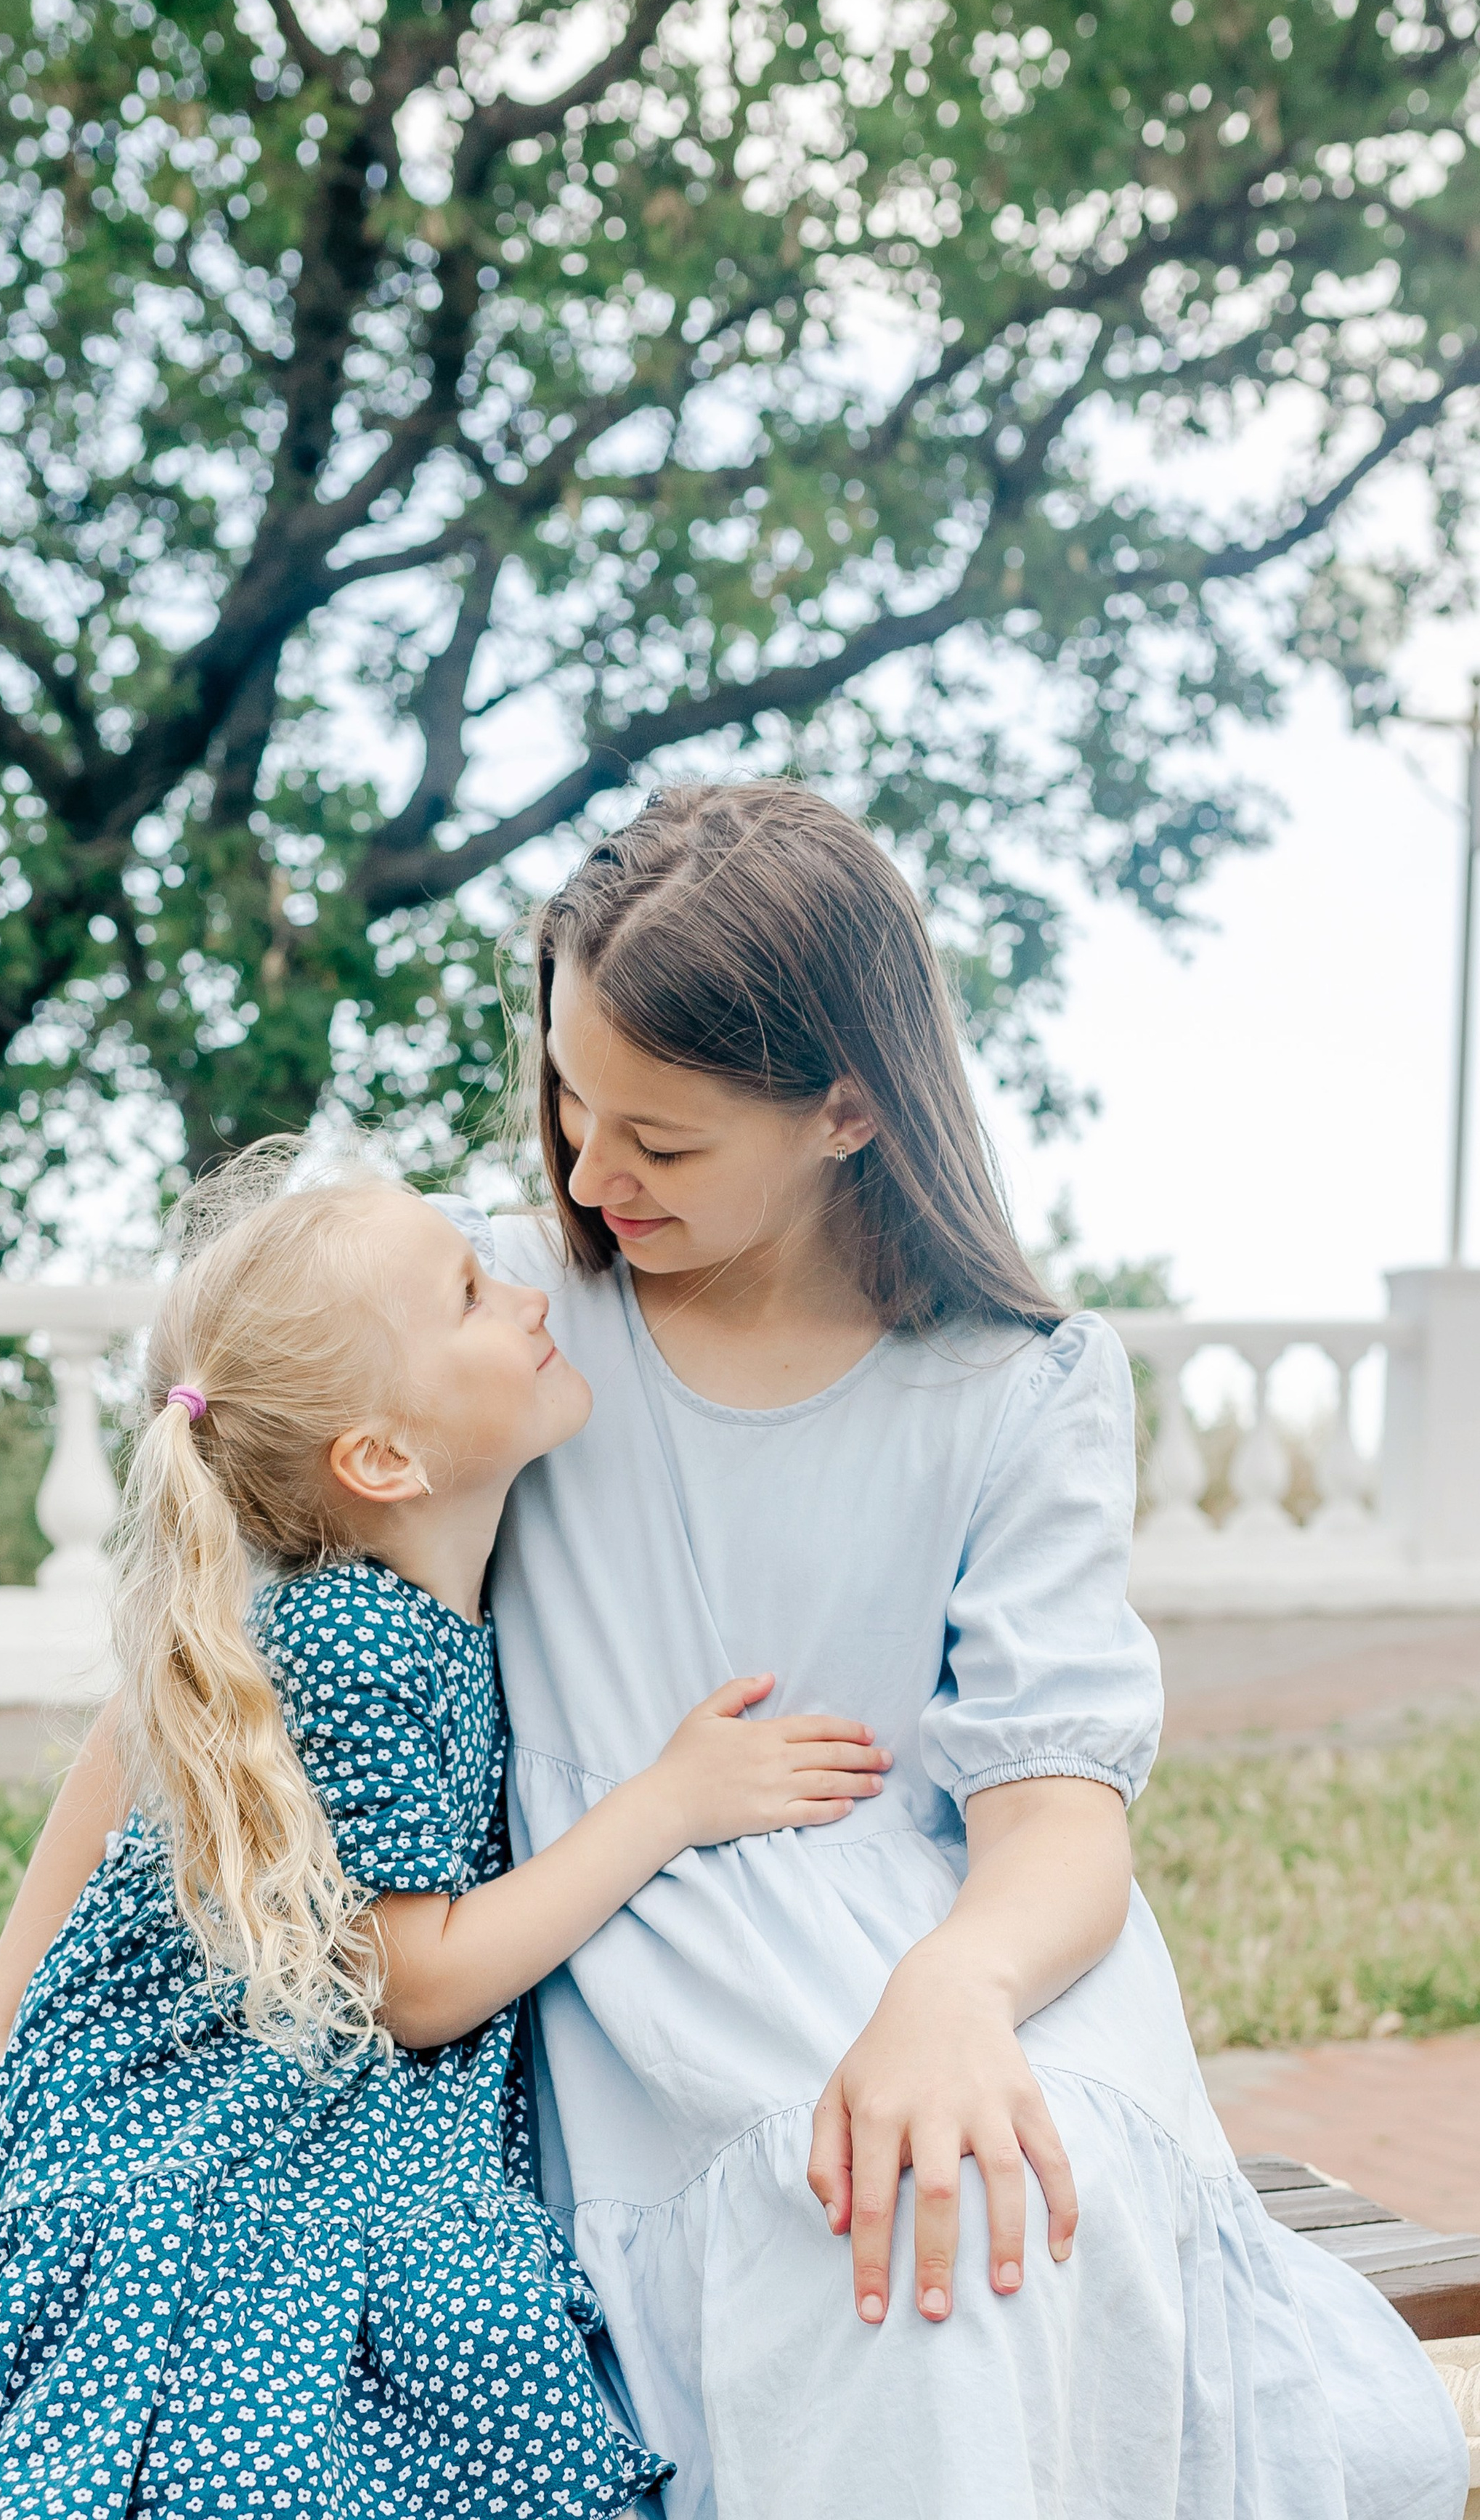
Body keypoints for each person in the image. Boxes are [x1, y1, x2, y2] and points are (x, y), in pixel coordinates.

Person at [451, 777, 1466, 2520]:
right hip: (667, 1977)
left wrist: (955, 1990)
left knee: (1014, 2198)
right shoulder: (505, 1327)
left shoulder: (1016, 1380)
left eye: (663, 1141)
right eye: (564, 1097)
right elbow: (210, 1666)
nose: (588, 1170)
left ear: (847, 1104)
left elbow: (1058, 1811)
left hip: (989, 1949)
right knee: (886, 2257)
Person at [0, 1141, 889, 2519]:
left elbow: (123, 1748)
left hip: (257, 2064)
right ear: (382, 1456)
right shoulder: (366, 1638)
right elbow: (412, 1985)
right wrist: (671, 1802)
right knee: (417, 2330)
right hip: (210, 2095)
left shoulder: (363, 1600)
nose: (529, 1300)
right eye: (475, 1294)